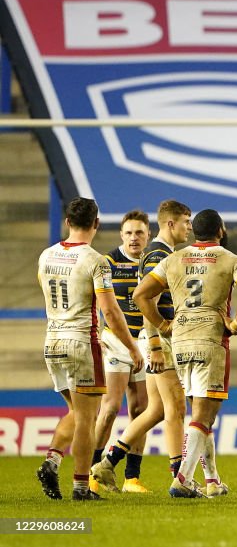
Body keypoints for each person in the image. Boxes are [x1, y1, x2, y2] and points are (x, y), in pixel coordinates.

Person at [133, 208, 237, 498]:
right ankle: (182, 479)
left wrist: (162, 325)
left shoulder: (173, 259)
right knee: (204, 416)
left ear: (194, 231)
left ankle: (213, 480)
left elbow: (140, 294)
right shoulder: (231, 260)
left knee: (200, 417)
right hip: (210, 340)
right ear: (220, 231)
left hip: (180, 341)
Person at [35, 197, 143, 501]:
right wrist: (131, 347)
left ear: (68, 222)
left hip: (52, 340)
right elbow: (109, 310)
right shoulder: (96, 260)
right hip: (81, 341)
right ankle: (81, 486)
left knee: (77, 411)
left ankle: (52, 461)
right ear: (96, 224)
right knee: (87, 418)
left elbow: (44, 287)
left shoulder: (46, 255)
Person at [91, 200, 203, 493]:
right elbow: (145, 299)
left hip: (155, 341)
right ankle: (181, 479)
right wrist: (155, 340)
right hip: (159, 342)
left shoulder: (162, 253)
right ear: (170, 224)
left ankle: (106, 463)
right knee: (175, 408)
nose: (189, 228)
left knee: (153, 409)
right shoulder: (158, 254)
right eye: (185, 222)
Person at [89, 210, 152, 494]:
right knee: (111, 407)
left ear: (148, 234)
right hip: (115, 340)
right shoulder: (108, 262)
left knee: (141, 409)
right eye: (128, 233)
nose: (134, 238)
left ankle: (131, 478)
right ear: (121, 235)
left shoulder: (154, 263)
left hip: (146, 341)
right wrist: (96, 331)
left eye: (139, 232)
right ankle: (93, 471)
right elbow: (92, 299)